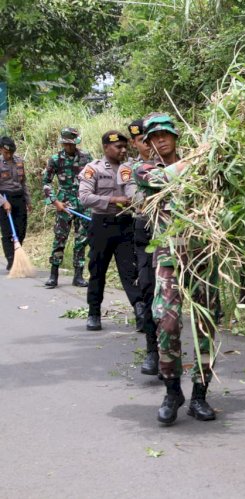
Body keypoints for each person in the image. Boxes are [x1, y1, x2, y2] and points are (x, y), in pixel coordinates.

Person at [133, 113, 217, 425]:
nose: (161, 140)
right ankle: (172, 390)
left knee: (204, 328)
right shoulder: (143, 169)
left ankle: (200, 395)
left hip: (201, 258)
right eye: (154, 137)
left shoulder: (203, 168)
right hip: (168, 259)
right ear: (149, 143)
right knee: (166, 324)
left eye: (166, 134)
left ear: (175, 137)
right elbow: (164, 179)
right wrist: (201, 157)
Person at [78, 131, 143, 332]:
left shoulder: (132, 168)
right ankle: (94, 313)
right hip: (101, 224)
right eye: (118, 147)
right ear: (106, 147)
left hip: (125, 224)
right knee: (97, 269)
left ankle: (140, 313)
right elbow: (84, 197)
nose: (123, 150)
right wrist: (114, 200)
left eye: (125, 147)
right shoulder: (93, 169)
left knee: (130, 271)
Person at [119, 119, 158, 375]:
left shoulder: (175, 160)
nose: (147, 143)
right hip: (147, 232)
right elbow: (136, 198)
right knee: (149, 289)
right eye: (141, 140)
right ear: (134, 143)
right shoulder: (129, 168)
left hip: (178, 233)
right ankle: (153, 351)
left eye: (150, 137)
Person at [42, 128, 93, 288]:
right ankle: (53, 275)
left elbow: (94, 178)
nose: (70, 147)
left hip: (83, 203)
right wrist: (54, 201)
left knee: (82, 239)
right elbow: (46, 182)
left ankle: (78, 275)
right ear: (63, 143)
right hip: (64, 203)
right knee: (60, 238)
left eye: (72, 144)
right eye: (67, 144)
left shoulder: (86, 157)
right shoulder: (55, 159)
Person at [0, 136, 32, 271]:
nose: (9, 155)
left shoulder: (19, 161)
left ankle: (17, 252)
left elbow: (23, 182)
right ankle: (11, 260)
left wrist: (28, 200)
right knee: (7, 232)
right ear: (1, 150)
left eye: (11, 153)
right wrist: (3, 202)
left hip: (19, 198)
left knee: (21, 229)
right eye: (6, 153)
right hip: (4, 197)